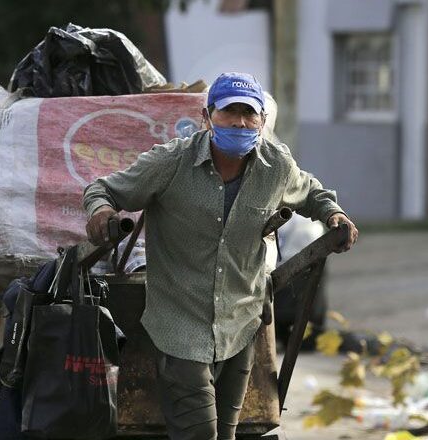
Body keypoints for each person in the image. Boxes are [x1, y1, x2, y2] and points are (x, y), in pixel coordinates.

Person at [82, 72, 358, 440]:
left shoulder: (276, 167)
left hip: (239, 326)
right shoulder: (171, 162)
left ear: (262, 120)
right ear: (207, 117)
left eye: (249, 114)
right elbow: (103, 190)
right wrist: (101, 211)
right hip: (180, 325)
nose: (240, 123)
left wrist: (333, 214)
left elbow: (311, 193)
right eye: (230, 112)